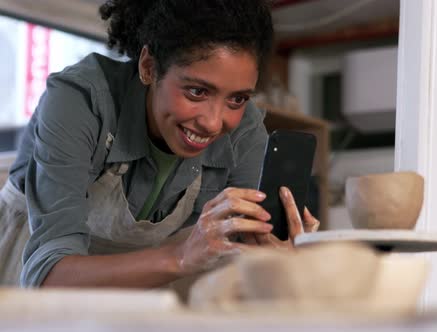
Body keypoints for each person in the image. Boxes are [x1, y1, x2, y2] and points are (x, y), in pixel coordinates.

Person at [0, 0, 319, 288]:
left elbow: (243, 255)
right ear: (149, 67)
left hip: (139, 294)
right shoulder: (80, 100)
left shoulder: (244, 130)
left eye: (236, 98)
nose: (213, 122)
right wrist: (181, 256)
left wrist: (275, 256)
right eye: (197, 91)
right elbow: (47, 276)